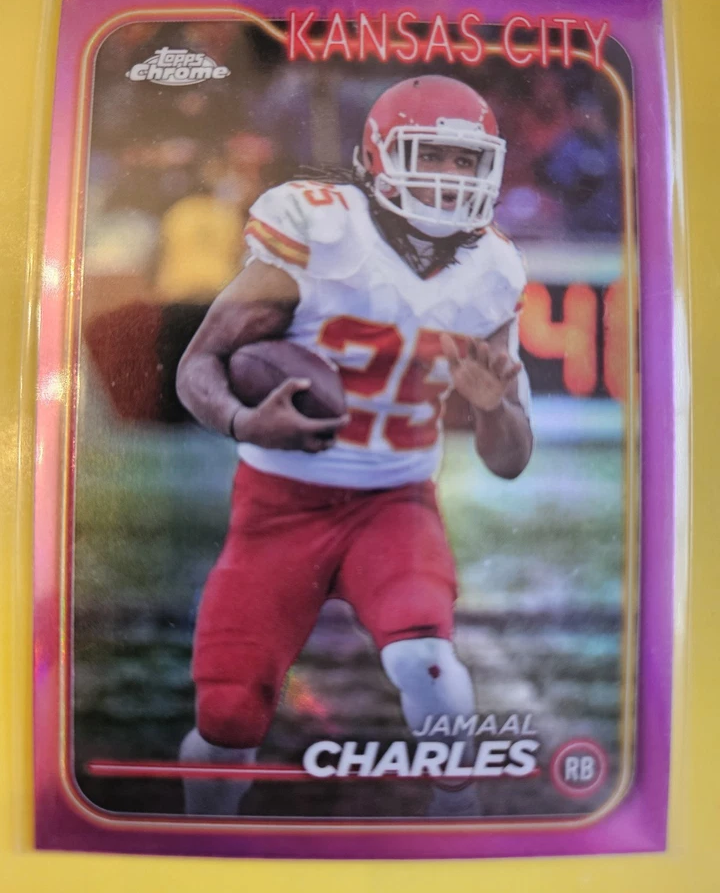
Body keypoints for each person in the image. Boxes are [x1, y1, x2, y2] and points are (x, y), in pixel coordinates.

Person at [176, 74, 534, 818]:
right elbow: (198, 364)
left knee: (427, 660)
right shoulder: (320, 232)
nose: (450, 175)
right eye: (430, 155)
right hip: (278, 505)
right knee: (228, 713)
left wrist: (492, 406)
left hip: (395, 503)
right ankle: (200, 841)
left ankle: (457, 826)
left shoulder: (492, 271)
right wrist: (244, 422)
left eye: (465, 160)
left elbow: (509, 460)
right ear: (377, 156)